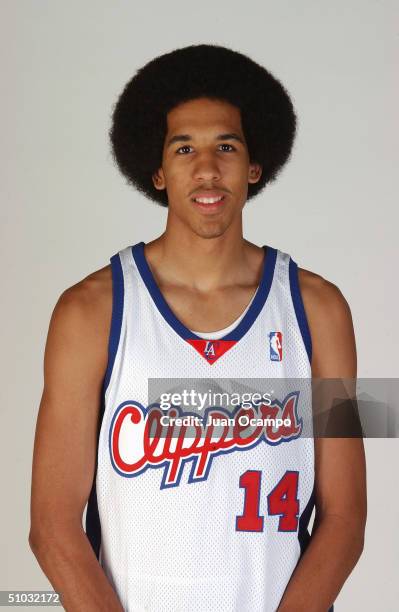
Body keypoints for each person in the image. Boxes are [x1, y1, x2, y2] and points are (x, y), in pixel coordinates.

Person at [29, 44, 367, 612]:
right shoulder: (88, 313)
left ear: (255, 166)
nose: (207, 168)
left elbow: (347, 517)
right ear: (157, 170)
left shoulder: (322, 311)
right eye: (185, 147)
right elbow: (52, 526)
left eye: (226, 147)